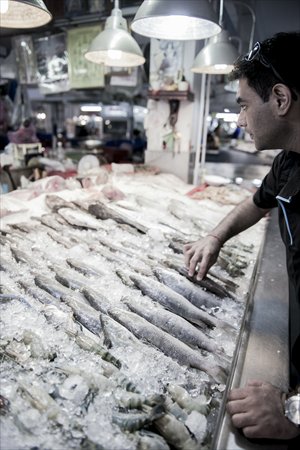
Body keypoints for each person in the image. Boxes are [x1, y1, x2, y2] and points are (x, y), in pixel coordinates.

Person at [184, 31, 300, 443]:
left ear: (281, 100)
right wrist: (217, 235)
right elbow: (258, 201)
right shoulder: (290, 161)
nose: (239, 119)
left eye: (244, 105)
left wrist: (292, 425)